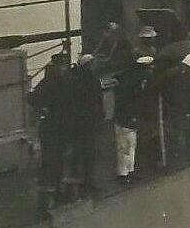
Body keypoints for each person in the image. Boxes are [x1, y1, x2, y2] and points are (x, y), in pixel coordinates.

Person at [29, 53, 70, 211]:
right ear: (55, 66)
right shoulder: (48, 83)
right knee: (49, 162)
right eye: (61, 66)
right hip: (50, 128)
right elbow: (32, 98)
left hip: (62, 127)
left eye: (64, 66)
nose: (63, 69)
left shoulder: (66, 81)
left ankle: (57, 192)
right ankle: (45, 198)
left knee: (59, 161)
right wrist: (43, 108)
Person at [113, 41, 156, 185]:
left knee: (131, 145)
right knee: (125, 146)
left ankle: (129, 171)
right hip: (126, 118)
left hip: (128, 117)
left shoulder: (132, 80)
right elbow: (130, 101)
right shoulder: (134, 83)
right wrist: (133, 116)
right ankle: (123, 174)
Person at [67, 53, 104, 195]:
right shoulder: (88, 80)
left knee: (82, 153)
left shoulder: (77, 79)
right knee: (86, 152)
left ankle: (82, 182)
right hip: (85, 121)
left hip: (84, 121)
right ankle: (85, 182)